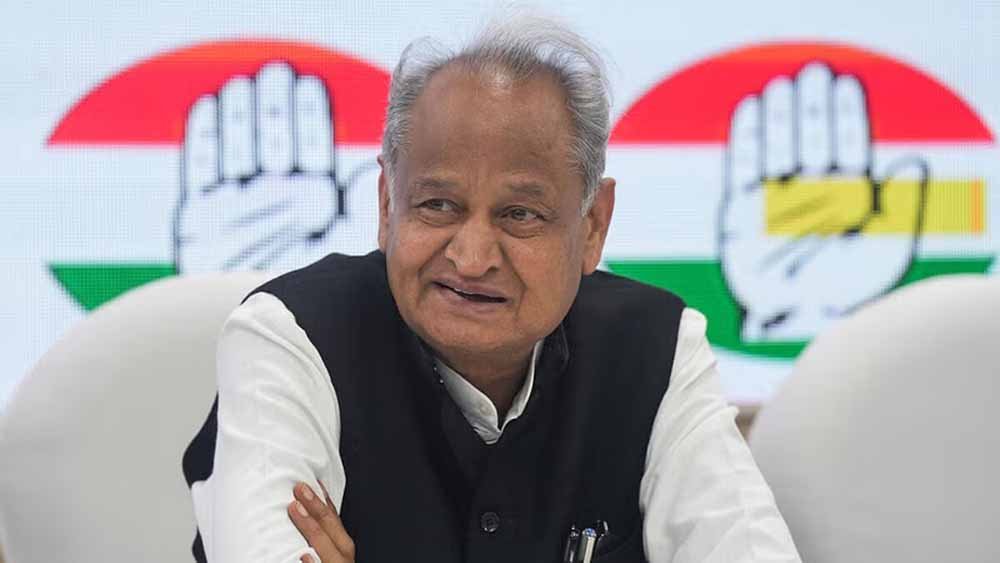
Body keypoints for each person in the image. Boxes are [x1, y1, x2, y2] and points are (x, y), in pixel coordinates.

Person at [183, 14, 802, 563]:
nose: (472, 258)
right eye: (438, 204)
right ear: (387, 203)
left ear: (592, 225)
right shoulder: (290, 340)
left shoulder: (657, 350)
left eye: (519, 215)